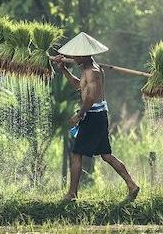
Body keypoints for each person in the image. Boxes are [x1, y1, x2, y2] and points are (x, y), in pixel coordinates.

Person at [53, 32, 139, 202]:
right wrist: (63, 69)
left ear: (85, 54)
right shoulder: (87, 69)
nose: (73, 57)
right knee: (106, 155)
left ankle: (72, 194)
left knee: (76, 153)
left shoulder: (93, 72)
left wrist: (79, 115)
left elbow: (91, 97)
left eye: (76, 54)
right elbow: (79, 85)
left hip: (93, 116)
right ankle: (132, 185)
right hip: (97, 116)